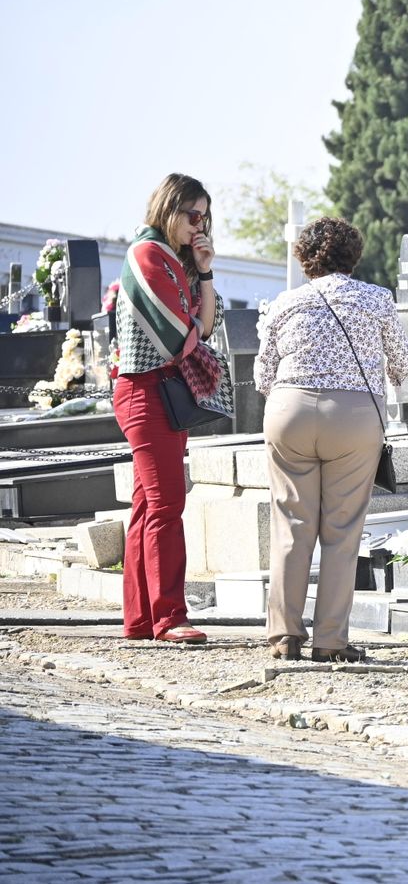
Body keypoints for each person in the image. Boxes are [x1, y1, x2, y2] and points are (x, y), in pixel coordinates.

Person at [255, 218, 408, 662]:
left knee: (291, 524)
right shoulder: (377, 299)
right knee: (342, 533)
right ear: (354, 256)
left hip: (289, 412)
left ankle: (284, 635)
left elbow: (262, 375)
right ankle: (330, 641)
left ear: (304, 259)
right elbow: (405, 365)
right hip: (353, 418)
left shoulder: (285, 303)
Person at [113, 173, 220, 644]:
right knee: (166, 503)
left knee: (147, 505)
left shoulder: (175, 261)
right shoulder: (147, 253)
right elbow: (180, 335)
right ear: (169, 208)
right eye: (192, 215)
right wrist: (199, 337)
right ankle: (169, 617)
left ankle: (139, 620)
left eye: (205, 218)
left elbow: (206, 326)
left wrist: (206, 270)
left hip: (163, 393)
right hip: (146, 390)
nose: (199, 226)